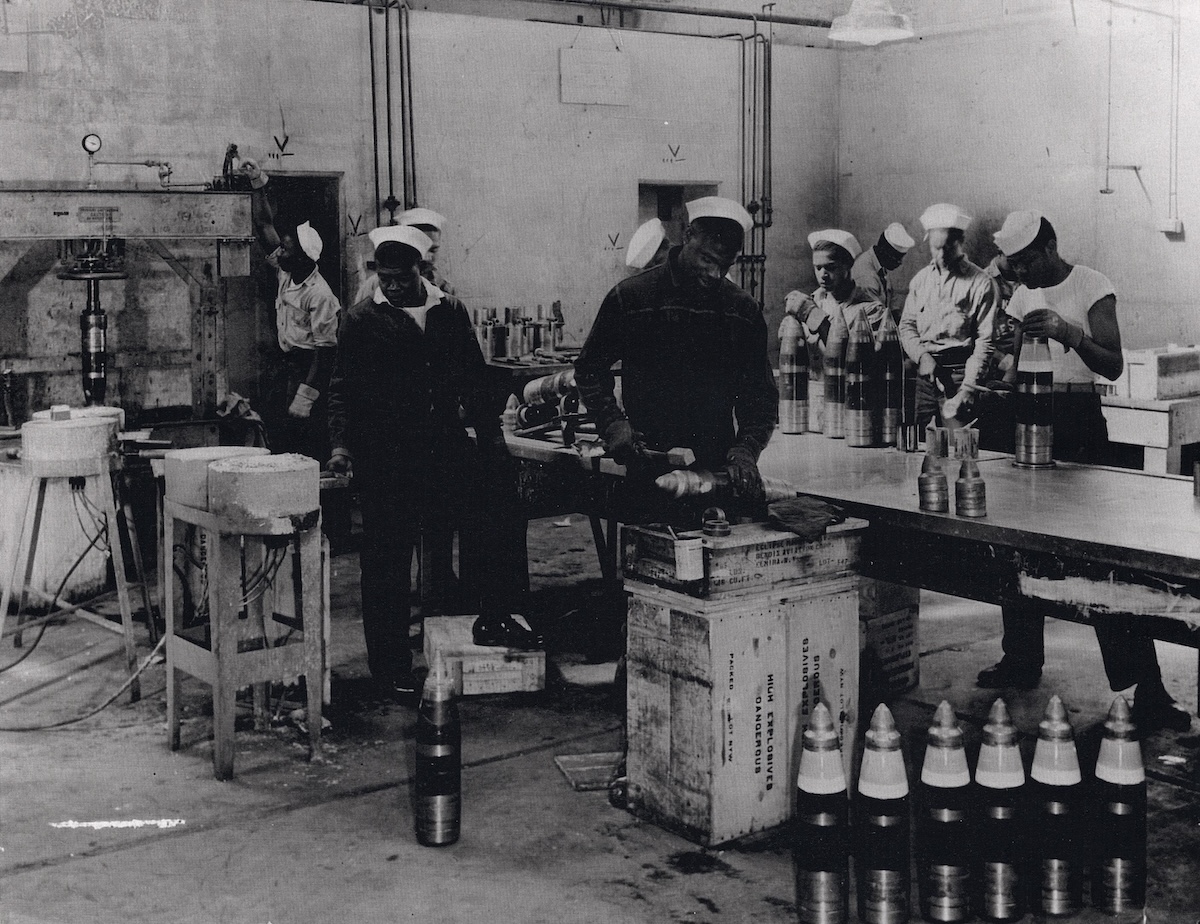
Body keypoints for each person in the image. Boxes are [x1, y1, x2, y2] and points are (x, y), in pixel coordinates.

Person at [975, 210, 1190, 733]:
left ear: (1049, 246)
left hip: (1078, 423)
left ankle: (1148, 690)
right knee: (1018, 542)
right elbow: (1015, 366)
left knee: (1102, 561)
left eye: (1026, 263)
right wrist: (1002, 359)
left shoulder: (1092, 284)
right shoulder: (1021, 293)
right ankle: (1022, 658)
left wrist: (1069, 332)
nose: (1021, 274)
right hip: (1027, 416)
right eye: (1014, 266)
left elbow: (1113, 364)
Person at [326, 225, 536, 698]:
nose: (393, 286)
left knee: (478, 535)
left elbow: (474, 380)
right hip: (386, 456)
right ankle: (390, 667)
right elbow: (342, 389)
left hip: (442, 448)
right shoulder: (361, 320)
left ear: (422, 270)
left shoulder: (449, 311)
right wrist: (341, 447)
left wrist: (492, 441)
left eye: (402, 277)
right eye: (385, 277)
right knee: (386, 562)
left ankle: (481, 629)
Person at [575, 196, 777, 523]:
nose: (715, 274)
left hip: (715, 473)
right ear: (687, 236)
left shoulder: (743, 311)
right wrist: (612, 422)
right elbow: (589, 368)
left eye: (725, 265)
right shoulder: (631, 297)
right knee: (647, 561)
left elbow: (761, 397)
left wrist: (746, 451)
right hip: (647, 467)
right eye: (707, 259)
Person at [241, 159, 341, 460]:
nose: (279, 251)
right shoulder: (287, 272)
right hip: (284, 367)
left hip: (307, 369)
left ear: (302, 259)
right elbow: (264, 225)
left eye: (285, 249)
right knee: (279, 439)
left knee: (307, 445)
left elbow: (326, 353)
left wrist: (306, 396)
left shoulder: (320, 295)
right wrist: (257, 181)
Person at [898, 203, 998, 429]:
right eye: (935, 248)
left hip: (961, 377)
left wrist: (969, 388)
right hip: (925, 376)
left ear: (961, 242)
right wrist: (922, 356)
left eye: (947, 247)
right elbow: (907, 327)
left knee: (960, 447)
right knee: (923, 448)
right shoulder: (920, 281)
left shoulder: (981, 283)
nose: (941, 255)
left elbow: (985, 341)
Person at [787, 229, 888, 346]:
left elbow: (857, 358)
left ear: (849, 265)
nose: (823, 275)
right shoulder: (813, 301)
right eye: (818, 268)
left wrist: (817, 319)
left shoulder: (871, 310)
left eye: (830, 267)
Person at [851, 221, 916, 320]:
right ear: (884, 252)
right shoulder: (867, 277)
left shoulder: (878, 264)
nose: (900, 262)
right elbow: (876, 319)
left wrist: (896, 312)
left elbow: (890, 298)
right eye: (897, 258)